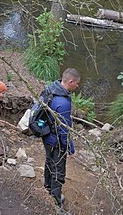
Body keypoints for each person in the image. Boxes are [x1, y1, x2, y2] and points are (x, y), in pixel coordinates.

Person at [42, 68, 81, 210]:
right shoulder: (63, 103)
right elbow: (64, 130)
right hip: (55, 141)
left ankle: (47, 188)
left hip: (46, 134)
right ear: (70, 82)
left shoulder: (52, 88)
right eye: (76, 83)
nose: (77, 86)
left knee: (48, 161)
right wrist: (70, 149)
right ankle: (56, 202)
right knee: (58, 171)